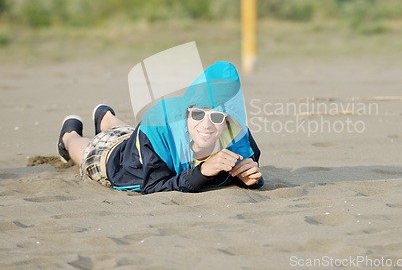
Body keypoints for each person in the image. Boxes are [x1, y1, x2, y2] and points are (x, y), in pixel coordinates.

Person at [56, 61, 263, 193]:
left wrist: (250, 178)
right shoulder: (159, 130)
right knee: (90, 150)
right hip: (120, 159)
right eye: (198, 113)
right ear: (186, 113)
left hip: (139, 140)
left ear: (228, 120)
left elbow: (251, 168)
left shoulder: (237, 134)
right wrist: (203, 171)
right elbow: (154, 185)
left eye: (217, 116)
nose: (207, 125)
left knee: (129, 135)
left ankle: (105, 118)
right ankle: (69, 135)